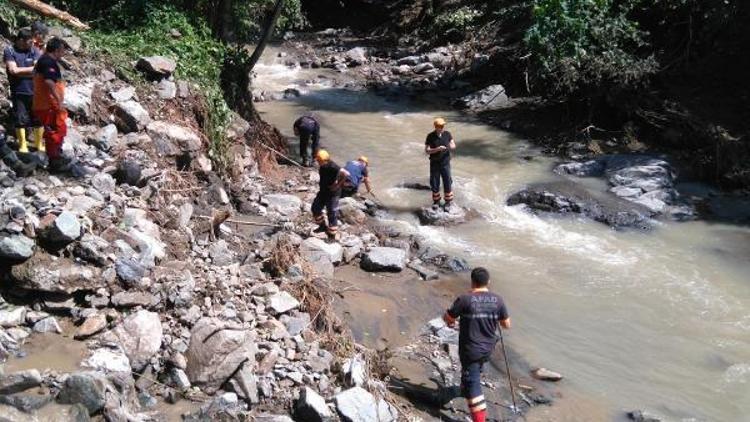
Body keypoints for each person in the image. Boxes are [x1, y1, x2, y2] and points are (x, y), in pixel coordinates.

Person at [443, 267, 511, 422]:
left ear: (472, 281)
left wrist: (451, 321)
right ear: (488, 282)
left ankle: (478, 416)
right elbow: (506, 324)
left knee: (473, 384)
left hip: (470, 349)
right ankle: (465, 388)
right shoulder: (498, 300)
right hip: (487, 349)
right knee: (473, 370)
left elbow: (448, 318)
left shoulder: (465, 299)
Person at [33, 37, 73, 173]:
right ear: (56, 50)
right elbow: (49, 82)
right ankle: (54, 162)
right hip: (48, 105)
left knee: (56, 131)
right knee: (54, 133)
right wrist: (59, 101)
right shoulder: (48, 62)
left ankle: (55, 157)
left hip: (48, 104)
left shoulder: (45, 60)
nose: (63, 53)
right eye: (62, 50)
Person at [4, 28, 43, 154]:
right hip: (19, 91)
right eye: (30, 42)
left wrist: (22, 71)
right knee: (21, 118)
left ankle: (38, 144)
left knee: (38, 118)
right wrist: (31, 70)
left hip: (36, 91)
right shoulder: (9, 51)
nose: (32, 44)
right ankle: (22, 145)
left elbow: (39, 69)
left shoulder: (34, 50)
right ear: (21, 40)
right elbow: (13, 70)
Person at [312, 149, 349, 239]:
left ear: (325, 160)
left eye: (319, 161)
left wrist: (338, 185)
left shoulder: (333, 166)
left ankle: (332, 235)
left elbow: (346, 173)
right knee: (315, 208)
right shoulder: (323, 166)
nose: (318, 162)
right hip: (323, 191)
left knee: (331, 212)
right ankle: (322, 226)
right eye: (318, 161)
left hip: (333, 193)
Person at [425, 117, 456, 210]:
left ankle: (448, 202)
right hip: (434, 163)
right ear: (435, 126)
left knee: (447, 180)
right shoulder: (430, 136)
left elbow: (453, 144)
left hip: (445, 162)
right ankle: (436, 201)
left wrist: (450, 146)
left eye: (443, 125)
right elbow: (427, 151)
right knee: (434, 182)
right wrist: (437, 149)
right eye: (440, 126)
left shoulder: (447, 134)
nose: (442, 127)